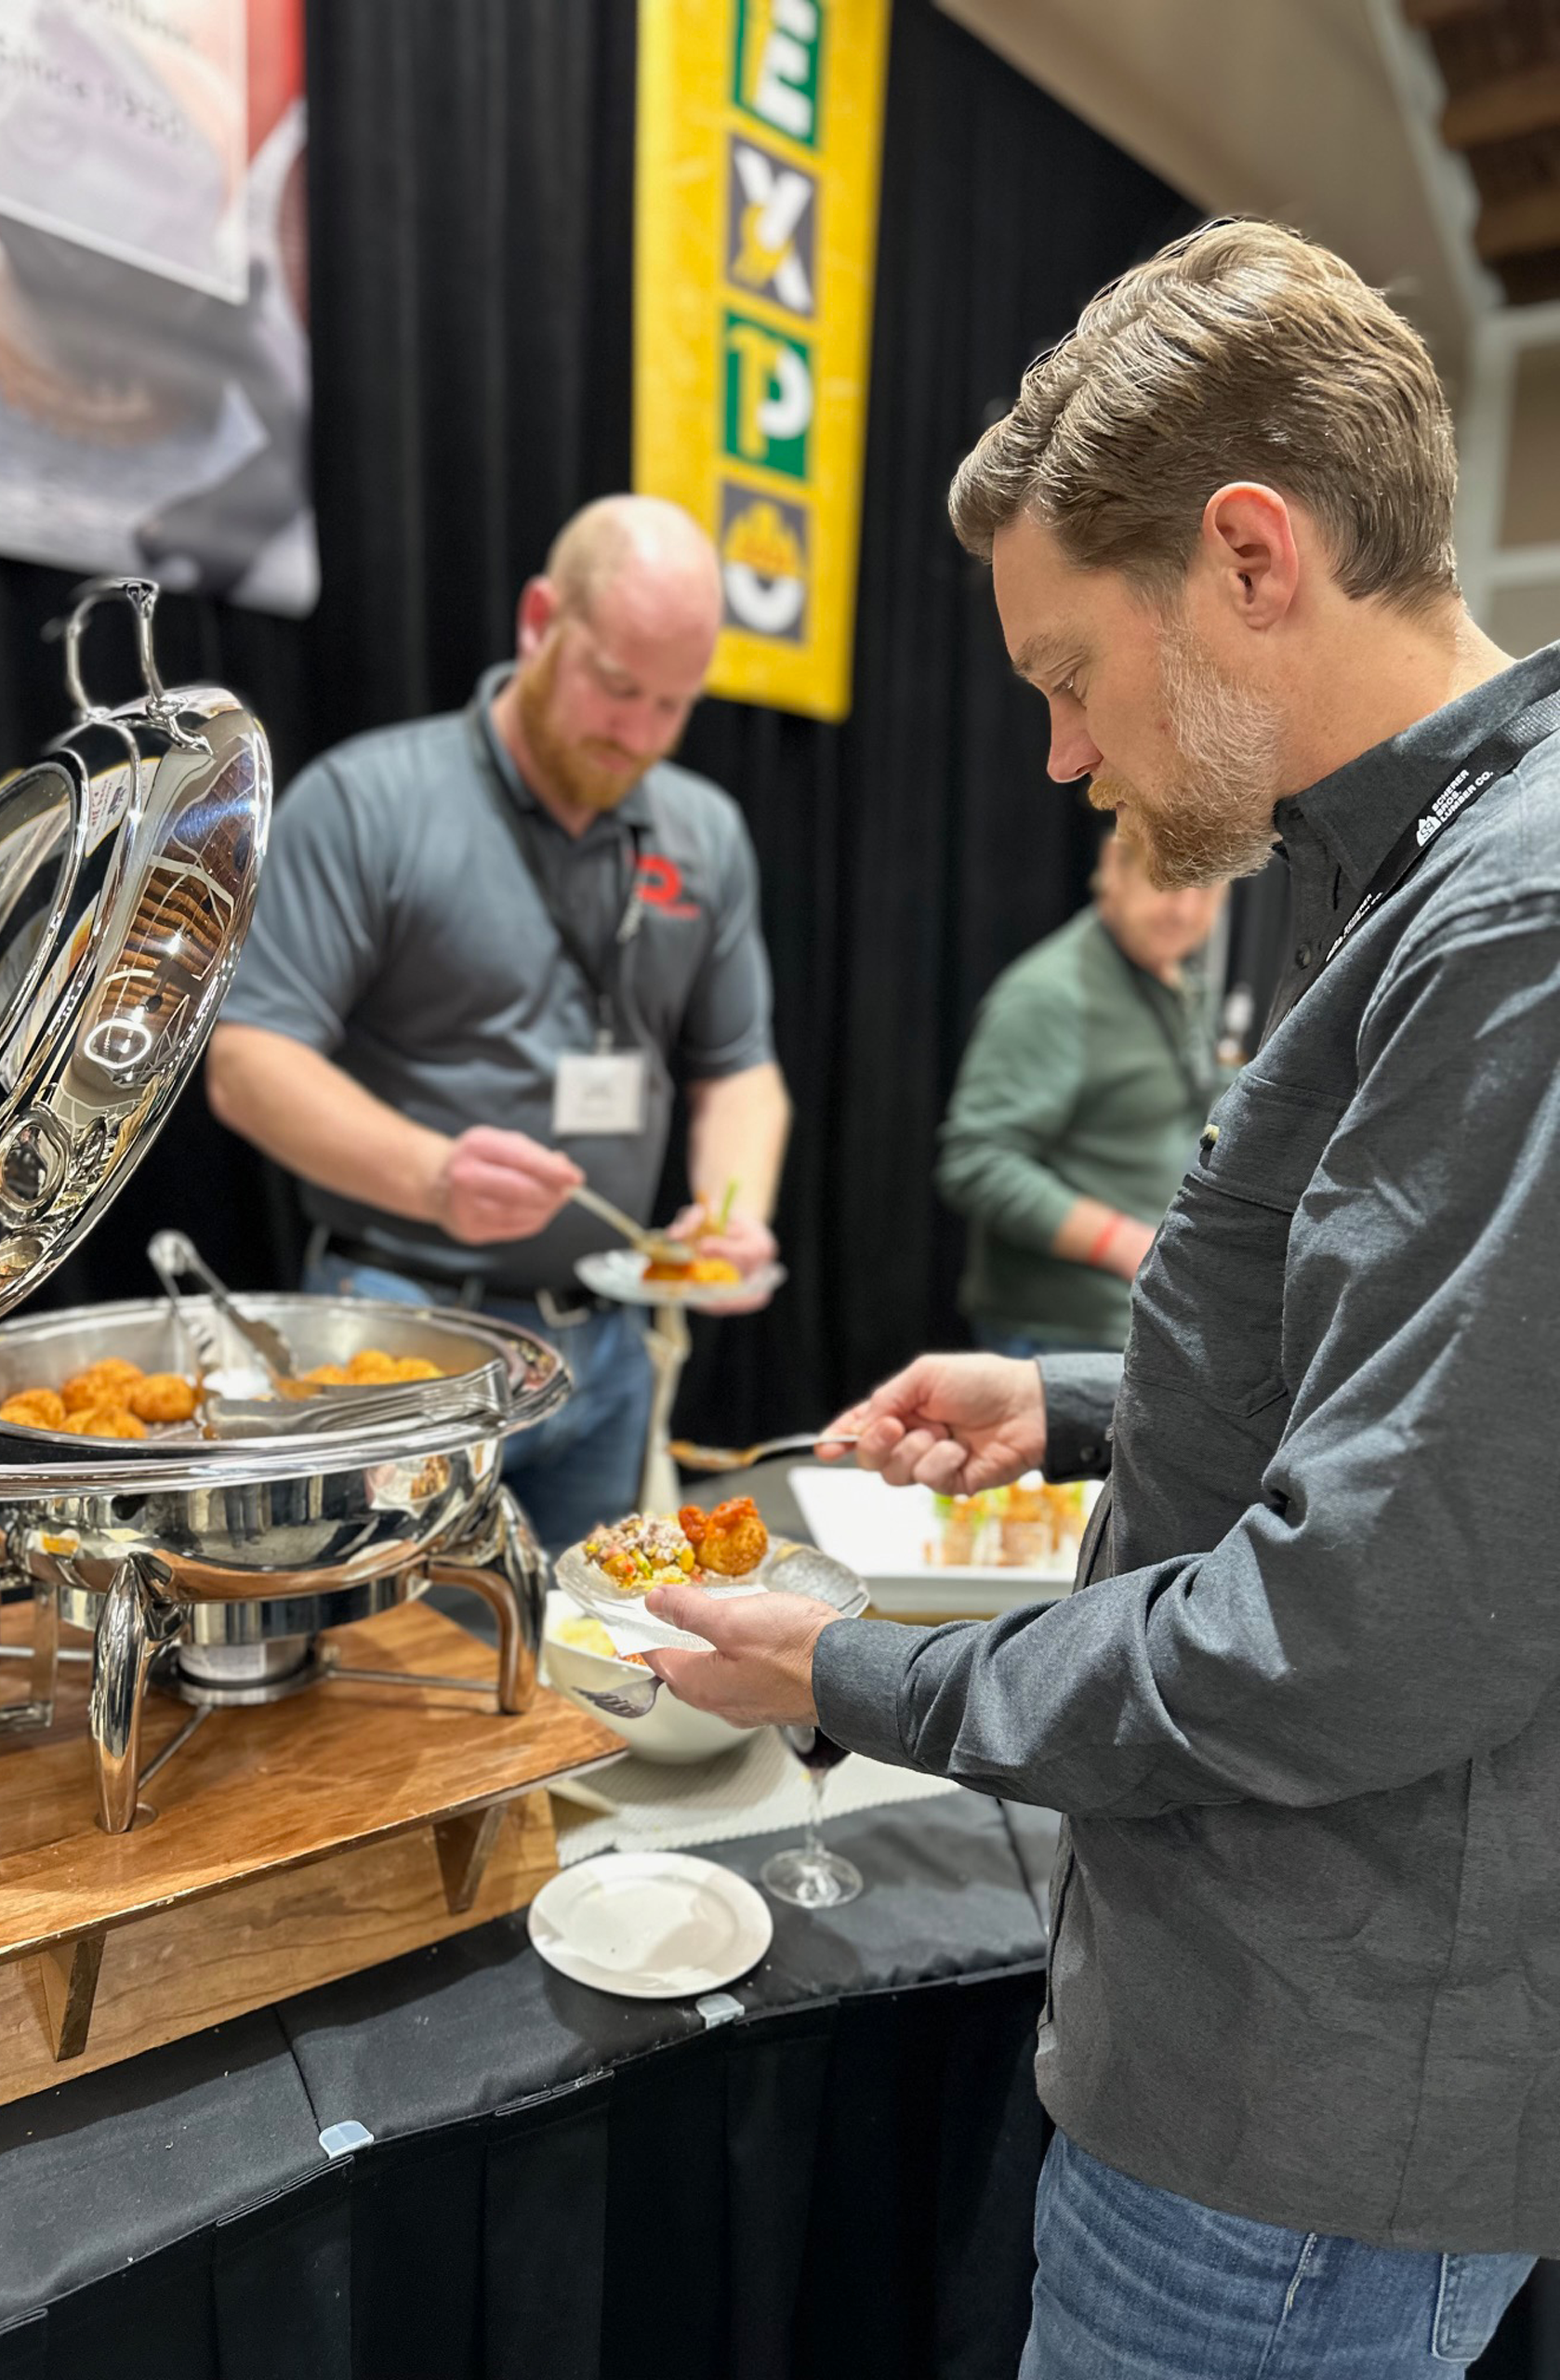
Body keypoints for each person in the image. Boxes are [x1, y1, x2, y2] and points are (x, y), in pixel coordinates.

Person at [637, 220, 1560, 2375]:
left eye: (1064, 672)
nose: (1057, 757)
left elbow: (1358, 1626)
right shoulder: (1423, 876)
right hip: (1283, 2050)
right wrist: (1072, 1397)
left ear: (1251, 558)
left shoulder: (1508, 931)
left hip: (1296, 2117)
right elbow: (1407, 1383)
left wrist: (868, 1672)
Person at [206, 496, 791, 1553]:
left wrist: (731, 1209)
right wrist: (434, 1176)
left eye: (674, 705)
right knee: (388, 1668)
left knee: (573, 1670)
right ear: (538, 621)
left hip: (604, 1344)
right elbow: (249, 1058)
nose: (638, 736)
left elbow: (739, 1068)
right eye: (617, 688)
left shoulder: (705, 831)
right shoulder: (370, 802)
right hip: (401, 1326)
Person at [934, 826, 1225, 1356]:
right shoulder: (1050, 996)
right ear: (1114, 868)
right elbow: (976, 1163)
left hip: (1138, 1314)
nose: (1183, 911)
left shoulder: (1171, 974)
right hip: (1061, 1335)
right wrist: (1127, 1246)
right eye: (1167, 881)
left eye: (1203, 890)